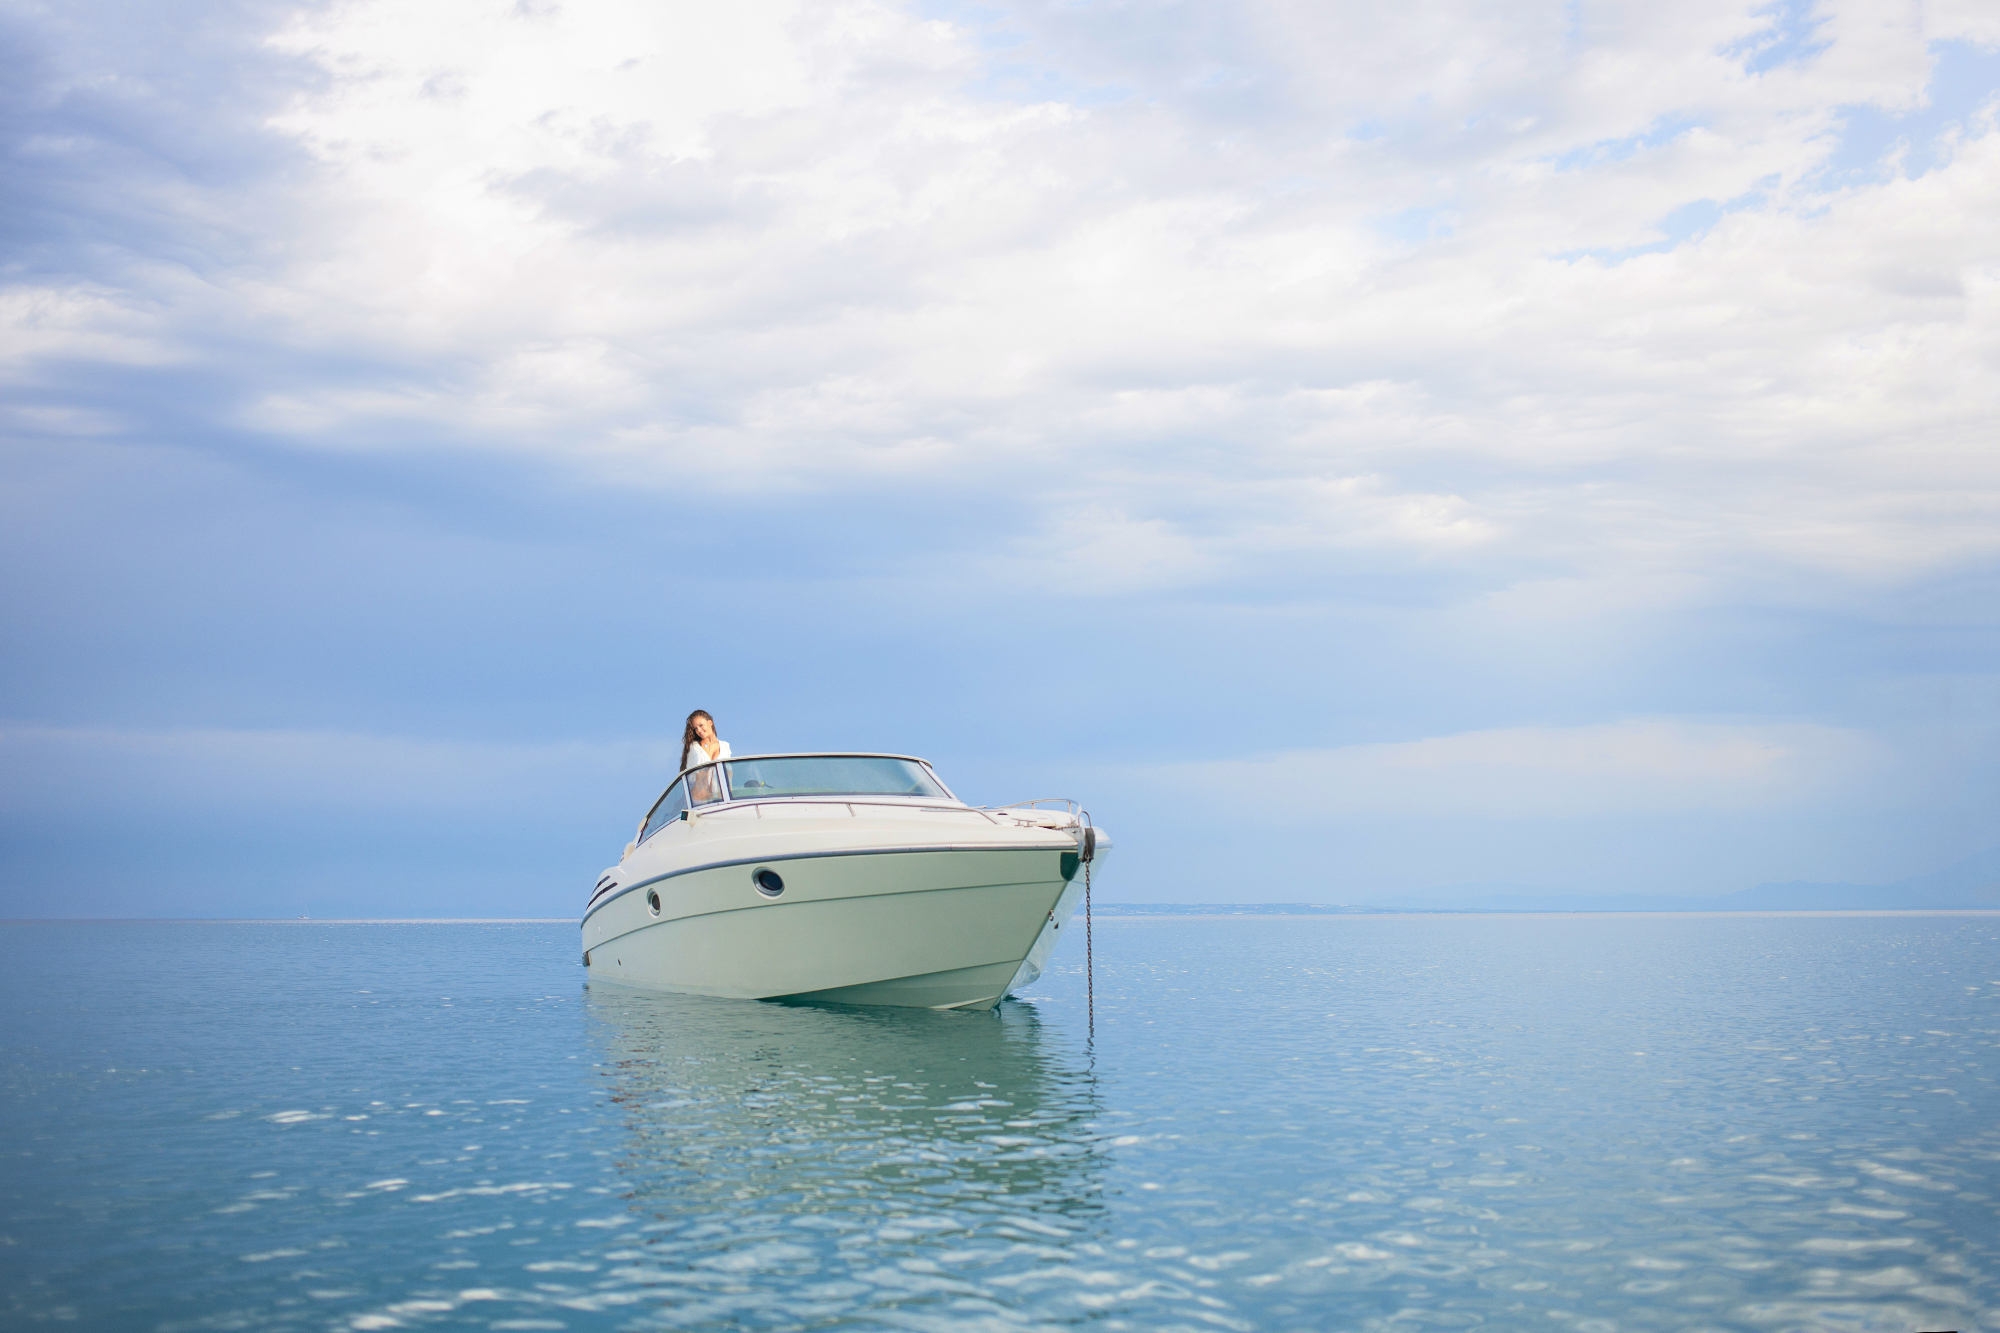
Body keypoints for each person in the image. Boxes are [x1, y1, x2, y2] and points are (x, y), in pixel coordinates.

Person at [680, 710, 731, 802]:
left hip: (719, 799)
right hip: (698, 799)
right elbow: (689, 777)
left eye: (700, 725)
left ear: (710, 722)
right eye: (695, 728)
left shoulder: (725, 746)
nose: (699, 730)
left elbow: (728, 776)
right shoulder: (694, 748)